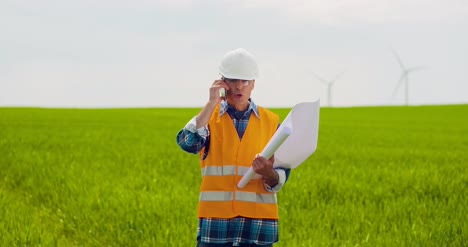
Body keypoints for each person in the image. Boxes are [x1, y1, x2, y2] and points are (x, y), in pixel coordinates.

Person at [176, 48, 291, 247]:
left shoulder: (272, 123)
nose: (239, 86)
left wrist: (269, 173)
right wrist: (211, 103)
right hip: (217, 226)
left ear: (253, 84)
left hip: (258, 226)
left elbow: (282, 175)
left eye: (245, 81)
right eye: (232, 80)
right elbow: (187, 143)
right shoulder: (208, 119)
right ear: (222, 83)